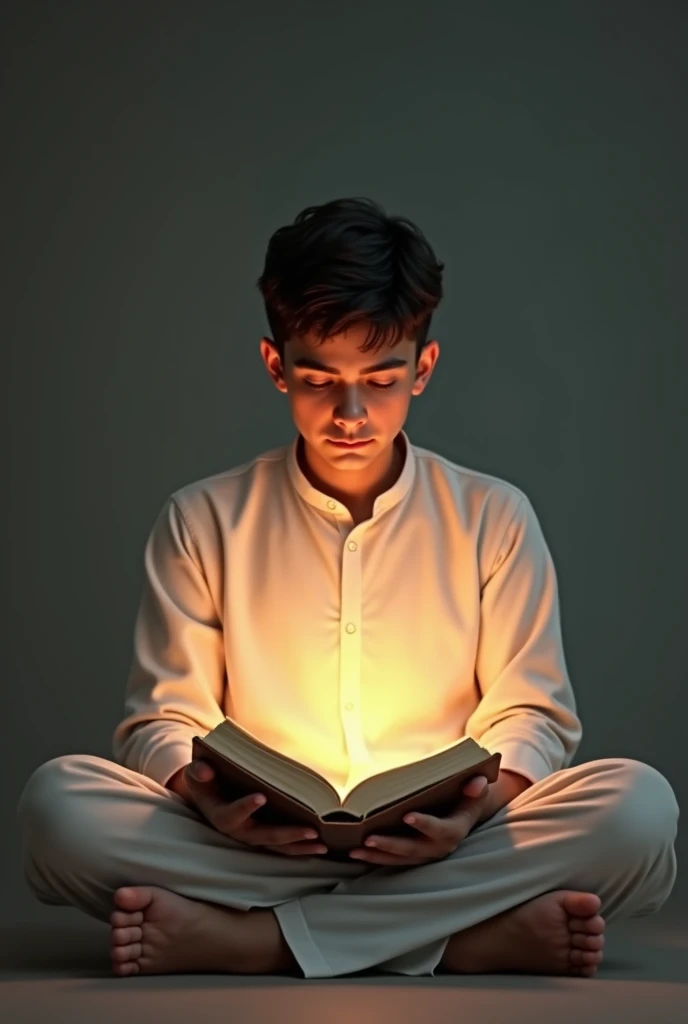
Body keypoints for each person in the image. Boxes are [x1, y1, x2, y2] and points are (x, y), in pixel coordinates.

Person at [16, 197, 679, 980]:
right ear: (276, 366)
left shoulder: (493, 517)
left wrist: (471, 810)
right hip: (254, 845)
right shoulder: (202, 518)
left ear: (422, 369)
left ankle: (255, 943)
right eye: (319, 378)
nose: (351, 413)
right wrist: (208, 800)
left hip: (448, 844)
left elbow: (532, 713)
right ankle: (456, 938)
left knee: (638, 813)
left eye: (382, 378)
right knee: (58, 809)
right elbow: (164, 718)